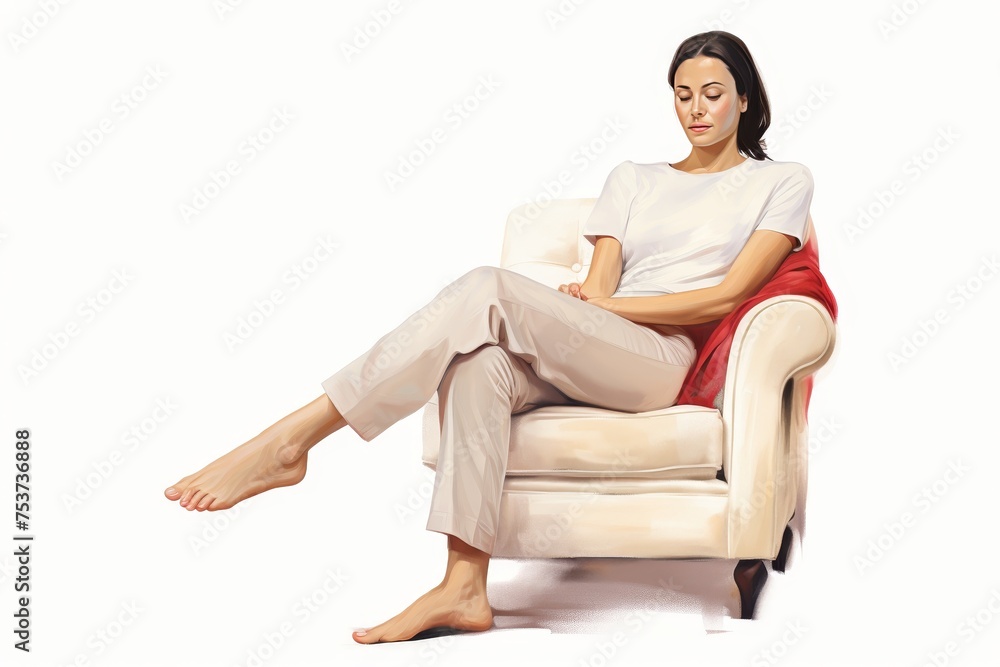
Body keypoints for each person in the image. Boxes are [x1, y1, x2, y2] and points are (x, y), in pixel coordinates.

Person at [163, 30, 815, 644]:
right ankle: (464, 585)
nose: (695, 109)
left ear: (745, 98)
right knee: (476, 360)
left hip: (662, 357)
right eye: (682, 94)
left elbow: (728, 296)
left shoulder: (779, 182)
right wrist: (588, 307)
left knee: (485, 287)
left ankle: (292, 438)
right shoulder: (635, 178)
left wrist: (610, 308)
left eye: (712, 93)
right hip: (605, 337)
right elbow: (601, 282)